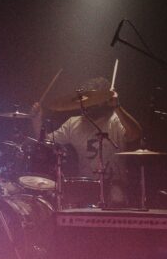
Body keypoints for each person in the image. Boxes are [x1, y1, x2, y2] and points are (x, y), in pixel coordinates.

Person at [31, 77, 143, 205]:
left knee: (116, 194)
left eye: (95, 100)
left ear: (104, 100)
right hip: (85, 187)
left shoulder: (116, 120)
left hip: (115, 186)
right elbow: (47, 142)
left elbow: (135, 134)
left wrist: (117, 107)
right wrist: (36, 120)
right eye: (87, 100)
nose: (90, 104)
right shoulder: (73, 123)